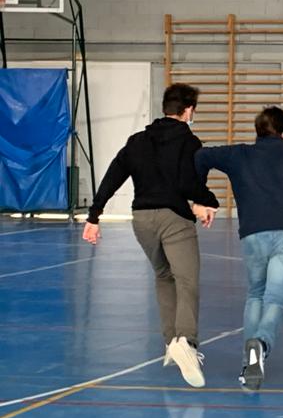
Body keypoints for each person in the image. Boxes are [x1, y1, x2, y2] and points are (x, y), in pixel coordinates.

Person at [194, 107, 283, 391]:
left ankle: (248, 364)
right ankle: (260, 344)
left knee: (256, 295)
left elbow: (200, 156)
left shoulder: (239, 154)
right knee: (275, 298)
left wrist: (201, 198)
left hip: (253, 233)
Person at [82, 83, 219, 388]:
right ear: (189, 110)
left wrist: (94, 215)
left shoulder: (137, 141)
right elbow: (187, 183)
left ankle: (171, 342)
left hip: (141, 219)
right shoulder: (189, 141)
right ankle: (186, 342)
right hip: (173, 218)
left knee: (164, 275)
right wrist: (208, 201)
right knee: (187, 280)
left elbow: (113, 176)